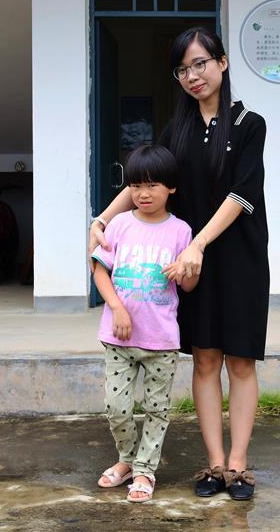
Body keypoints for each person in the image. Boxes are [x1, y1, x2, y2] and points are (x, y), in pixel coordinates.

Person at [90, 27, 269, 501]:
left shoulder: (250, 124)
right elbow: (144, 182)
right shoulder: (178, 130)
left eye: (201, 64)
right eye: (183, 69)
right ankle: (213, 463)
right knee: (206, 357)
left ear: (222, 64)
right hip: (189, 264)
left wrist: (199, 244)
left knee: (242, 361)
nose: (193, 76)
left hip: (238, 258)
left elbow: (241, 195)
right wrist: (103, 219)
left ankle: (239, 464)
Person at [91, 144, 199, 503]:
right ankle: (125, 459)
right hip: (118, 337)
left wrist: (183, 271)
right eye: (136, 185)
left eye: (152, 185)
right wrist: (117, 308)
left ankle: (144, 470)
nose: (143, 193)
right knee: (116, 407)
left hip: (161, 339)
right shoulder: (119, 224)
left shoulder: (181, 231)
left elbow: (188, 285)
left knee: (156, 409)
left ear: (171, 188)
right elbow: (99, 270)